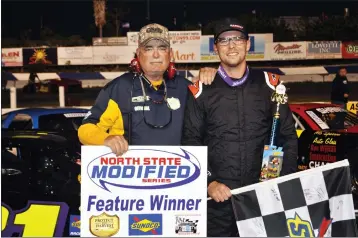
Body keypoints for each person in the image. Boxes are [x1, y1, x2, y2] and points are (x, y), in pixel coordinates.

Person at [181, 18, 298, 237]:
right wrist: (208, 183)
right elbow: (190, 142)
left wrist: (283, 180)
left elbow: (288, 137)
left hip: (262, 195)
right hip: (218, 200)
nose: (232, 45)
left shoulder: (271, 85)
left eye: (237, 39)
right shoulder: (200, 90)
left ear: (248, 44)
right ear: (215, 48)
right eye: (224, 41)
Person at [78, 23, 213, 155]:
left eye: (162, 48)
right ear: (138, 53)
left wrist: (213, 77)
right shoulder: (120, 88)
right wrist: (106, 139)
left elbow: (213, 124)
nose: (156, 55)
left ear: (170, 54)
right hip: (130, 174)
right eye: (148, 48)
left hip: (178, 173)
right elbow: (85, 129)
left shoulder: (185, 87)